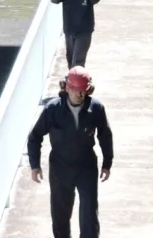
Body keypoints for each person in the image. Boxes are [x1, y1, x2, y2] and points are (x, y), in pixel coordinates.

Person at [27, 67, 114, 238]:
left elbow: (105, 135)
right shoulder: (52, 109)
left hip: (86, 166)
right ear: (66, 88)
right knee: (60, 213)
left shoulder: (96, 108)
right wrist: (35, 165)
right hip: (60, 168)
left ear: (88, 90)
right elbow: (35, 136)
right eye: (74, 89)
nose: (78, 94)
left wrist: (107, 163)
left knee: (89, 211)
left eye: (82, 90)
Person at [51, 0, 101, 73]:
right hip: (69, 31)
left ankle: (75, 87)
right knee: (70, 61)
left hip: (84, 31)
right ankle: (74, 85)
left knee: (77, 62)